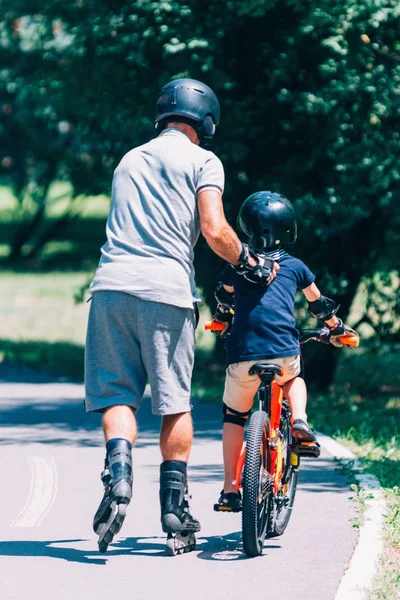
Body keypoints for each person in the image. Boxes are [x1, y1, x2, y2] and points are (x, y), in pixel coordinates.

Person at [84, 79, 280, 552]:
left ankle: (120, 474)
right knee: (174, 402)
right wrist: (249, 262)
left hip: (109, 288)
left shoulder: (130, 158)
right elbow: (214, 230)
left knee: (116, 395)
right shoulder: (203, 160)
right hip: (166, 293)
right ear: (206, 120)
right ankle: (174, 508)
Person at [211, 191, 358, 512]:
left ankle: (230, 489)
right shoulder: (295, 266)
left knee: (234, 416)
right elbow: (319, 304)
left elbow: (223, 299)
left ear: (246, 227)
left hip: (242, 352)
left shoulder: (237, 263)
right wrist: (336, 328)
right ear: (288, 229)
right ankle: (301, 421)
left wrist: (221, 320)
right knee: (293, 379)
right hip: (282, 348)